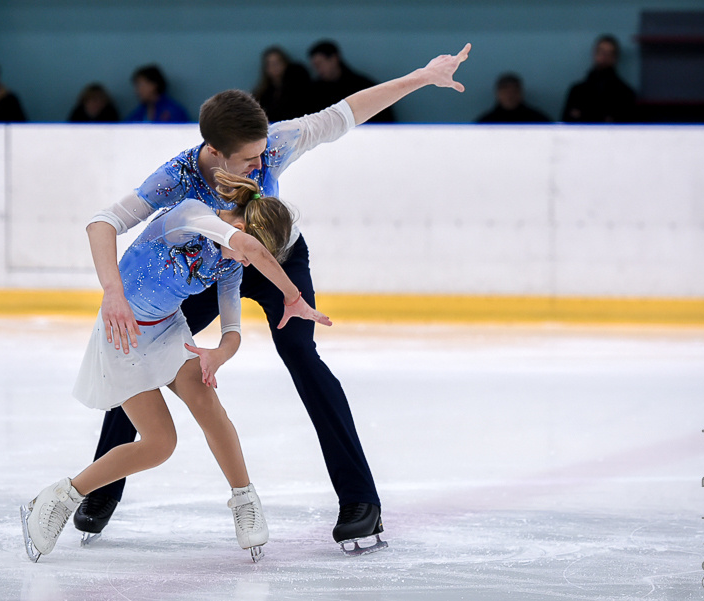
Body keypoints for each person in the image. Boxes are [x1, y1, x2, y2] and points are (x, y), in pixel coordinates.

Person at [74, 43, 471, 555]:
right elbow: (106, 220)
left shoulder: (275, 144)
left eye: (264, 153)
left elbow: (345, 114)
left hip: (279, 259)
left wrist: (422, 75)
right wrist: (113, 294)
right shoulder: (176, 177)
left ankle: (360, 503)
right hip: (217, 266)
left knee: (303, 356)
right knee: (140, 347)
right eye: (249, 158)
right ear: (214, 152)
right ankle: (101, 487)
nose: (263, 164)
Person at [20, 169, 331, 563]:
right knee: (160, 444)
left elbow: (232, 328)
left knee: (207, 404)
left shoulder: (229, 264)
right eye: (248, 251)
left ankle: (244, 501)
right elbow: (250, 250)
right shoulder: (189, 215)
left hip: (169, 330)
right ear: (239, 226)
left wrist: (219, 353)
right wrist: (292, 294)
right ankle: (61, 496)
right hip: (123, 337)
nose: (246, 263)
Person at [308, 40, 395, 123]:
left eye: (319, 64)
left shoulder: (363, 86)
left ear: (334, 59)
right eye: (315, 66)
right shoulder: (314, 91)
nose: (318, 69)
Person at [561, 35, 637, 123]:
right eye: (602, 52)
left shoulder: (625, 94)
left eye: (609, 53)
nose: (604, 57)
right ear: (594, 53)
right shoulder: (577, 91)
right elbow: (565, 125)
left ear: (615, 57)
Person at [252, 46, 313, 122]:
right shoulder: (263, 93)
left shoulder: (296, 89)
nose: (274, 67)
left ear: (285, 63)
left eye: (277, 62)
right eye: (270, 64)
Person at [124, 65, 191, 123]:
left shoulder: (173, 111)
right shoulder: (139, 113)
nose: (137, 91)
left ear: (154, 85)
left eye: (141, 85)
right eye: (136, 86)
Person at [476, 73, 551, 123]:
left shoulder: (538, 121)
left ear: (521, 92)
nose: (510, 96)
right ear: (498, 93)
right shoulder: (485, 123)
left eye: (514, 91)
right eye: (505, 91)